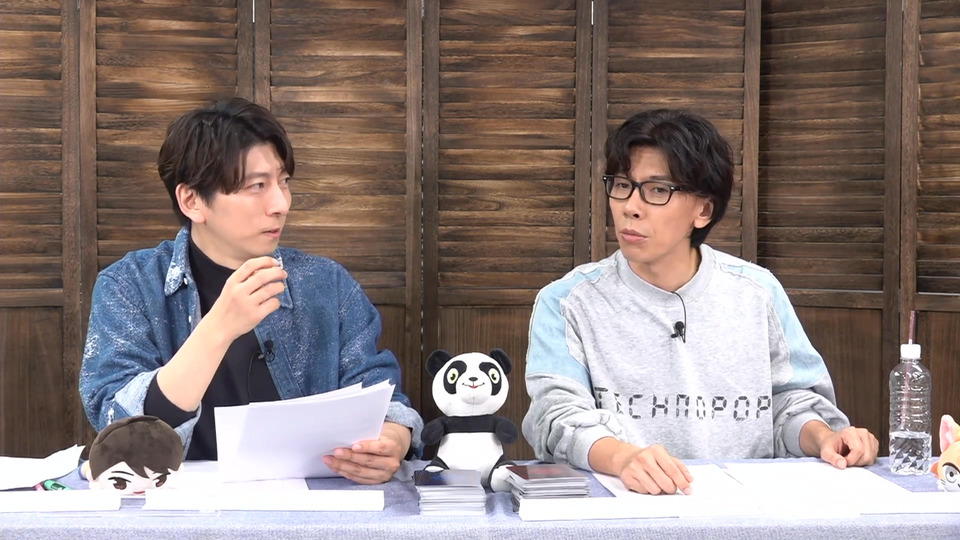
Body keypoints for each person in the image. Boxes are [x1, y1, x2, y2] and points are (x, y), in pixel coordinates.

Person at [522, 109, 878, 495]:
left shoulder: (757, 292)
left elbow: (788, 403)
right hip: (623, 507)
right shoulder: (567, 301)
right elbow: (556, 418)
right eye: (622, 185)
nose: (630, 206)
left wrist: (825, 438)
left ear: (703, 210)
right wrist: (623, 458)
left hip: (744, 508)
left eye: (657, 190)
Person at [79, 98, 422, 485]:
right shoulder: (129, 286)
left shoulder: (327, 284)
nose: (281, 204)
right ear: (192, 200)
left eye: (283, 181)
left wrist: (393, 439)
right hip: (178, 506)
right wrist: (219, 327)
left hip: (312, 504)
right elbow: (118, 428)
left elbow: (382, 398)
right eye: (257, 186)